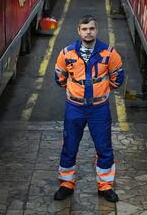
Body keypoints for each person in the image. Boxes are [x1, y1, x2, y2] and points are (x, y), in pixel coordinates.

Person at [53, 15, 125, 202]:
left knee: (104, 147)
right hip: (74, 108)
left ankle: (105, 186)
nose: (88, 32)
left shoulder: (109, 53)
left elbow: (118, 77)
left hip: (99, 109)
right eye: (84, 29)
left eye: (91, 28)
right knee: (69, 146)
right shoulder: (66, 53)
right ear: (78, 31)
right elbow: (59, 77)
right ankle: (66, 184)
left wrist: (99, 90)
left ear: (96, 30)